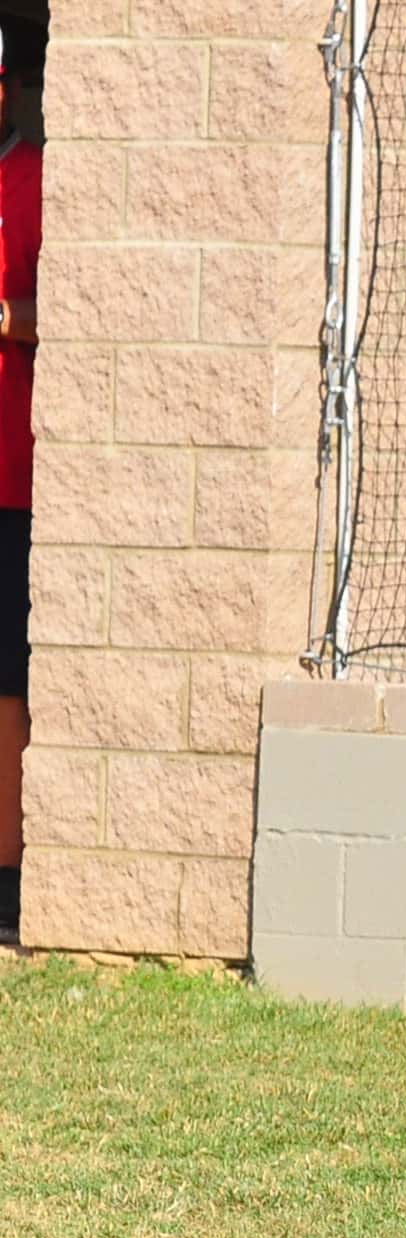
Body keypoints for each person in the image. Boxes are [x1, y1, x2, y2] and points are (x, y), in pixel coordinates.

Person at [0, 19, 41, 936]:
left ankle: (7, 874)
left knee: (9, 685)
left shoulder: (32, 176)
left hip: (12, 482)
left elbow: (67, 307)